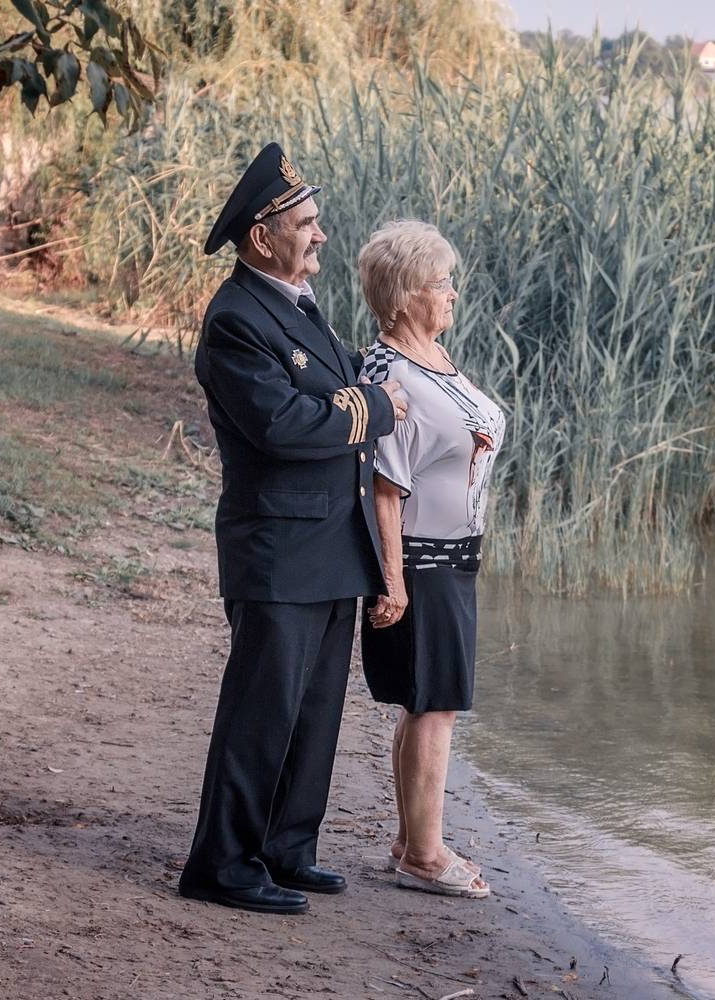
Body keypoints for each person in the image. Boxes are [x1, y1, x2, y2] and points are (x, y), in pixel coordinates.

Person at [178, 143, 408, 915]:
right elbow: (281, 425)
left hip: (331, 542)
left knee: (312, 713)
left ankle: (285, 848)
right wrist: (375, 409)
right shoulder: (236, 318)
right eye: (305, 223)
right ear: (261, 236)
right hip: (279, 547)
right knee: (262, 712)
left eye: (315, 221)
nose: (320, 235)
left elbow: (333, 388)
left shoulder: (296, 304)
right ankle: (222, 865)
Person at [356, 220, 505, 899]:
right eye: (441, 283)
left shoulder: (432, 358)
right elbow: (384, 489)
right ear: (405, 294)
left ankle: (409, 840)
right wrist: (393, 581)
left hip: (452, 560)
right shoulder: (389, 371)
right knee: (433, 706)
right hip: (419, 561)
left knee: (424, 703)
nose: (452, 294)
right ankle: (424, 854)